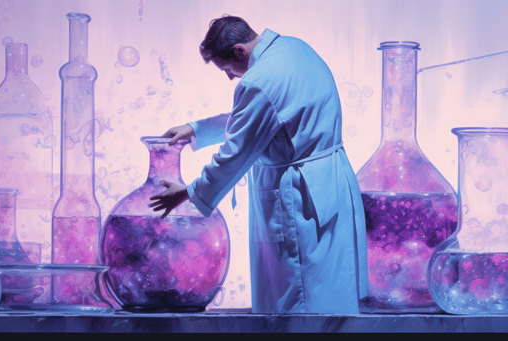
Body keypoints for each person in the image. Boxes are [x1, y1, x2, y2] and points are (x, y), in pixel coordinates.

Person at [149, 15, 368, 314]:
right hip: (331, 184)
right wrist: (198, 129)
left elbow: (236, 152)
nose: (229, 77)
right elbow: (271, 117)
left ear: (240, 50)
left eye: (226, 68)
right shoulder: (294, 49)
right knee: (330, 292)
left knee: (299, 302)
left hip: (300, 197)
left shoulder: (258, 81)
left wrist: (189, 192)